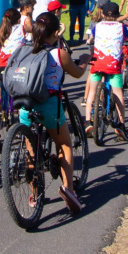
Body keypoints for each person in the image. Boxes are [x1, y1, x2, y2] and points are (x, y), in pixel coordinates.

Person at [20, 13, 91, 214]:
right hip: (49, 104)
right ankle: (68, 189)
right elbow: (77, 73)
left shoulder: (23, 50)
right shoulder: (59, 54)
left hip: (25, 105)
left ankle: (34, 195)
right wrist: (84, 59)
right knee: (64, 144)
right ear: (55, 33)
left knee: (31, 151)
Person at [84, 1, 128, 141]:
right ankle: (121, 124)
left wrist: (90, 42)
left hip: (97, 64)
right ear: (118, 15)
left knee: (92, 92)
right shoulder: (121, 27)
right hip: (114, 66)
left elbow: (90, 40)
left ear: (103, 13)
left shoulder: (97, 27)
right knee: (118, 93)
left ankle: (88, 121)